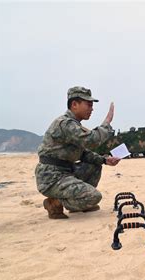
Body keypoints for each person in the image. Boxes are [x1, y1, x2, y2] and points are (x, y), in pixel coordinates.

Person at [35, 86, 121, 219]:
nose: (91, 109)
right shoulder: (65, 124)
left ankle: (81, 202)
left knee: (95, 164)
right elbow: (92, 140)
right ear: (74, 104)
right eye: (88, 104)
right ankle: (55, 202)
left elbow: (83, 153)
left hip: (66, 171)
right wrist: (107, 122)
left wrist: (104, 160)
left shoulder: (74, 125)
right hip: (51, 177)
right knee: (95, 197)